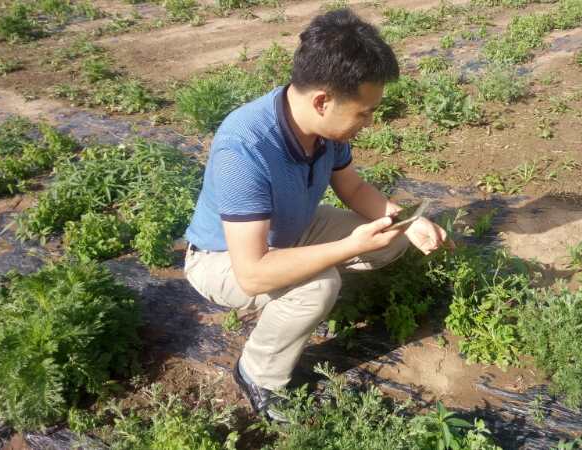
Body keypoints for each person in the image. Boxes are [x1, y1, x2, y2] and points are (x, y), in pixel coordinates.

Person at [183, 9, 450, 421]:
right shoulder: (244, 148)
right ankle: (257, 373)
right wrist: (346, 248)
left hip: (289, 230)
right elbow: (251, 272)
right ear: (323, 101)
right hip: (223, 260)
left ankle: (299, 295)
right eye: (363, 112)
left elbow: (353, 189)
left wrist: (407, 221)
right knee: (318, 286)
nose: (369, 122)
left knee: (391, 237)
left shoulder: (324, 129)